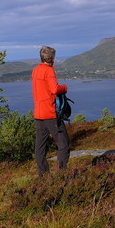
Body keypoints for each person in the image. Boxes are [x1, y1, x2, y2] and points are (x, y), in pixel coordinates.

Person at [31, 46, 70, 177]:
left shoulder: (35, 70)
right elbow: (54, 89)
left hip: (38, 113)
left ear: (41, 57)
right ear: (52, 58)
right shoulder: (48, 71)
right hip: (50, 113)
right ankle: (62, 173)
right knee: (63, 143)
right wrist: (64, 88)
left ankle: (43, 175)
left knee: (40, 146)